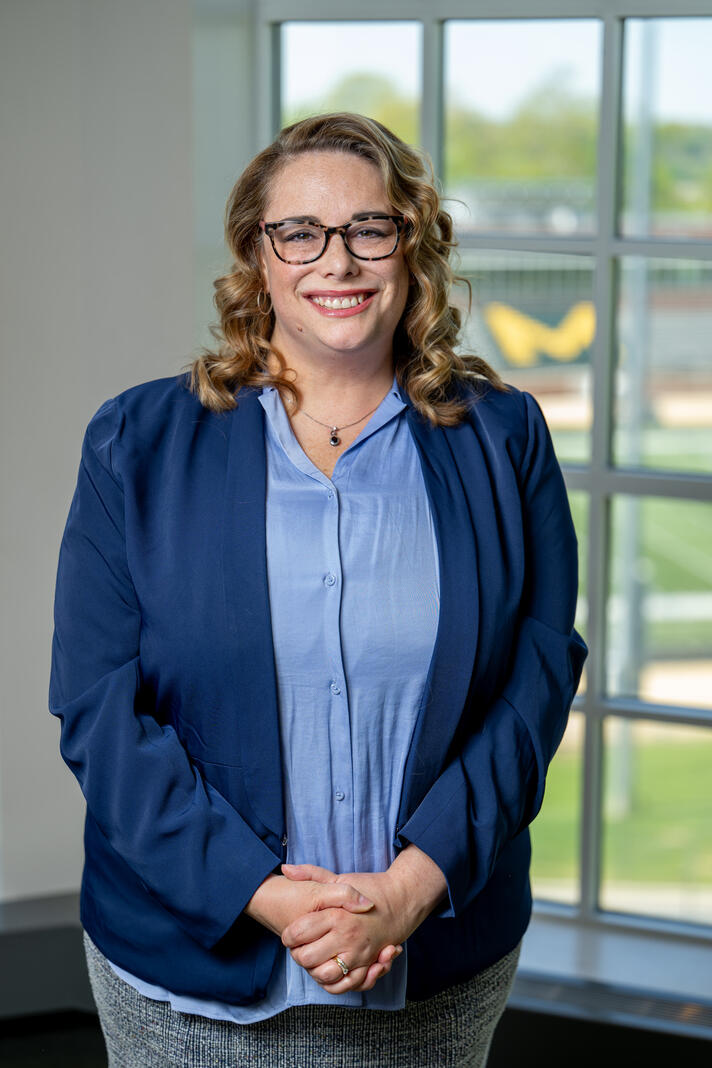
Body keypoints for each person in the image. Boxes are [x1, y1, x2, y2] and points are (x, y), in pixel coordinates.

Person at [49, 112, 587, 1067]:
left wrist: (419, 883)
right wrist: (262, 893)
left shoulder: (505, 439)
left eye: (368, 229)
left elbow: (538, 678)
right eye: (299, 232)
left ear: (410, 247)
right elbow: (98, 709)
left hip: (438, 963)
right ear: (258, 257)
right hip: (188, 979)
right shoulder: (136, 443)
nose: (335, 261)